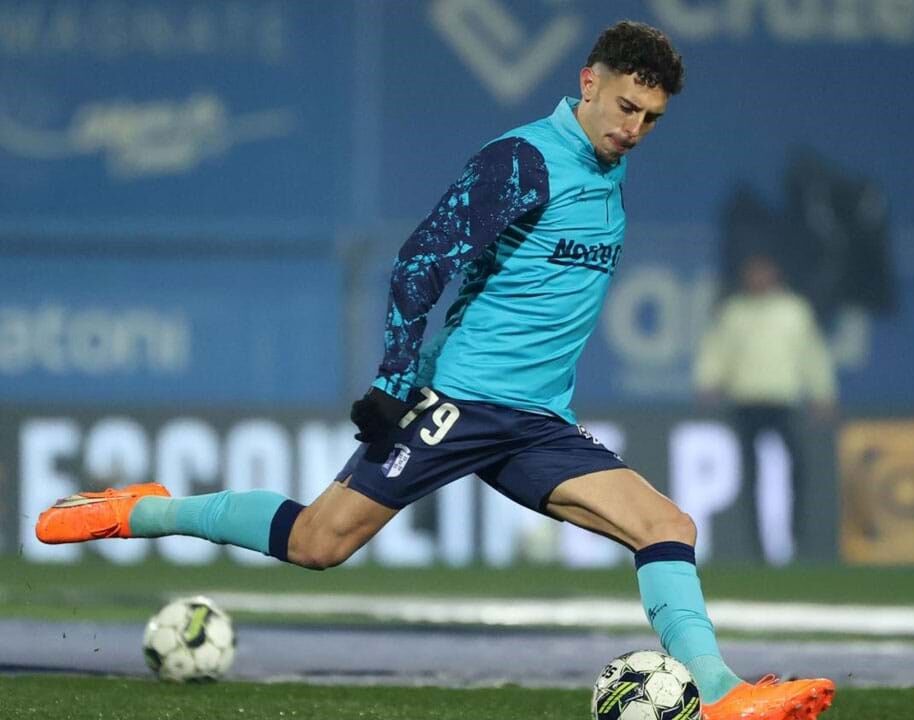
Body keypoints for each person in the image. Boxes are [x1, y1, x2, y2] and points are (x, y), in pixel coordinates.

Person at [34, 21, 834, 720]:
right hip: (460, 401)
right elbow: (423, 259)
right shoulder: (524, 160)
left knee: (668, 527)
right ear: (588, 83)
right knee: (318, 543)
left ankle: (721, 692)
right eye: (626, 106)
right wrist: (393, 381)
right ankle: (144, 510)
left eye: (651, 118)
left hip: (538, 423)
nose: (634, 129)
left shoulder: (605, 171)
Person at [695, 253, 838, 564]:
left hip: (783, 400)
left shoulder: (794, 311)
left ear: (775, 274)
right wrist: (709, 380)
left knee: (797, 468)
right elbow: (717, 349)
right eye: (753, 272)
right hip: (746, 401)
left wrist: (822, 392)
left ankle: (797, 539)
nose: (757, 278)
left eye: (763, 272)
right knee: (751, 476)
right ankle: (757, 548)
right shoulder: (734, 312)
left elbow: (811, 353)